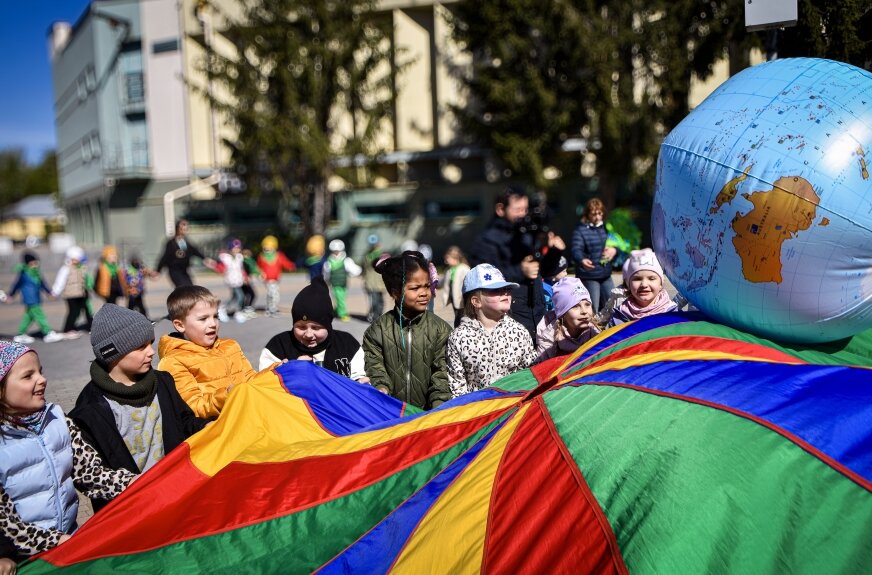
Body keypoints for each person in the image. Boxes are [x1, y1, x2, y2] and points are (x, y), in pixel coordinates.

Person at [0, 341, 134, 560]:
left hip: (68, 542)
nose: (42, 379)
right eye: (28, 376)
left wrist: (136, 482)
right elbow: (5, 524)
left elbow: (90, 475)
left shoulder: (57, 419)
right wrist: (57, 542)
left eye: (40, 372)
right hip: (23, 558)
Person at [68, 305, 207, 512]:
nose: (151, 352)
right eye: (141, 347)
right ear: (113, 353)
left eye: (150, 344)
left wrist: (211, 425)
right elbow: (92, 475)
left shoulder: (163, 383)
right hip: (130, 510)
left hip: (176, 496)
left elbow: (185, 423)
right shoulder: (90, 410)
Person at [362, 251, 452, 410]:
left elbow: (441, 376)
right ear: (395, 292)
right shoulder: (377, 331)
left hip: (429, 416)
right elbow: (375, 369)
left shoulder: (440, 330)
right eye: (415, 288)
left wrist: (439, 409)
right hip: (391, 414)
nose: (424, 293)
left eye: (426, 286)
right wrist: (381, 389)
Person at [157, 285, 257, 419]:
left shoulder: (231, 346)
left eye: (216, 316)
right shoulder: (174, 361)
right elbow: (193, 407)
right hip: (216, 429)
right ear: (180, 325)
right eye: (203, 319)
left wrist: (275, 372)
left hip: (247, 417)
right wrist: (226, 396)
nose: (213, 324)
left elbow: (252, 378)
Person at [469, 187, 556, 342]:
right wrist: (520, 271)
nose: (523, 214)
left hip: (536, 310)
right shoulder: (487, 241)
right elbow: (485, 278)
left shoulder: (526, 234)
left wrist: (555, 251)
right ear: (501, 209)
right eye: (518, 209)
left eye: (525, 209)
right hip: (509, 314)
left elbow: (544, 270)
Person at [446, 264, 536, 396]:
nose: (505, 292)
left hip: (513, 409)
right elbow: (457, 386)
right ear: (476, 301)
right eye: (496, 290)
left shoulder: (519, 332)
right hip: (477, 410)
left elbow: (531, 375)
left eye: (506, 288)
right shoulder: (459, 337)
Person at [259, 278, 367, 381]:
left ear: (328, 326)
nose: (309, 334)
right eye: (301, 327)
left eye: (316, 328)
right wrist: (289, 370)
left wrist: (361, 382)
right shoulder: (278, 346)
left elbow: (359, 378)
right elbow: (264, 382)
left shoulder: (347, 344)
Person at [606, 248, 678, 327]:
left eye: (651, 278)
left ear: (661, 284)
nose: (644, 284)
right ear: (628, 284)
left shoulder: (673, 314)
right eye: (637, 279)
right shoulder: (619, 316)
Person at [535, 277, 599, 362]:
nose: (584, 311)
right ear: (562, 314)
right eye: (575, 306)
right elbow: (541, 367)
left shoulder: (594, 332)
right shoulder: (549, 336)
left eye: (587, 304)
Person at [571, 198, 618, 313]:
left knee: (613, 305)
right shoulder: (580, 230)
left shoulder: (607, 228)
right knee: (593, 308)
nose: (597, 217)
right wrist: (582, 260)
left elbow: (618, 244)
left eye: (599, 213)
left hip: (605, 273)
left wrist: (614, 250)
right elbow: (576, 249)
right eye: (593, 214)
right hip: (589, 275)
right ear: (587, 214)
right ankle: (593, 330)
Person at [6, 252, 63, 344]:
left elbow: (43, 284)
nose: (35, 264)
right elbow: (16, 285)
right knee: (39, 315)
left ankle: (20, 334)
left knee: (29, 316)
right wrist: (10, 295)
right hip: (29, 298)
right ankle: (47, 332)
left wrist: (49, 293)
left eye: (36, 262)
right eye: (33, 263)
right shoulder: (24, 274)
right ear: (27, 263)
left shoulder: (37, 272)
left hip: (36, 297)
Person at [155, 219, 213, 288]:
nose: (184, 230)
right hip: (175, 271)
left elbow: (195, 251)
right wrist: (158, 271)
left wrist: (205, 259)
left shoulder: (186, 242)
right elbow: (165, 257)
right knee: (182, 288)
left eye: (186, 228)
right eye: (182, 228)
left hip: (184, 270)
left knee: (190, 288)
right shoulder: (171, 243)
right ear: (177, 229)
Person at [51, 245, 92, 336]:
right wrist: (55, 292)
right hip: (70, 295)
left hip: (81, 293)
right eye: (76, 258)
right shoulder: (66, 268)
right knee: (73, 311)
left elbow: (86, 279)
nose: (78, 260)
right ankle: (67, 329)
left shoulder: (80, 267)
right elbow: (60, 281)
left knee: (85, 310)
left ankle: (88, 326)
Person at [323, 239, 361, 322]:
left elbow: (355, 270)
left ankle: (336, 311)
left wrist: (356, 273)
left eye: (337, 251)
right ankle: (342, 314)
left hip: (343, 283)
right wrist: (326, 281)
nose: (336, 252)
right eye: (334, 251)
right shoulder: (329, 261)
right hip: (335, 283)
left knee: (342, 298)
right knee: (340, 298)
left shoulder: (346, 260)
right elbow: (326, 273)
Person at [256, 236, 295, 317]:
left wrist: (291, 266)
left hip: (276, 279)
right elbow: (258, 267)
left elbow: (285, 262)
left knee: (272, 293)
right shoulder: (261, 256)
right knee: (273, 293)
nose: (267, 248)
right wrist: (259, 273)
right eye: (266, 246)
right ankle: (272, 309)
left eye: (269, 247)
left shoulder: (278, 256)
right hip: (267, 279)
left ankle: (270, 308)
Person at [214, 238, 247, 323]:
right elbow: (220, 267)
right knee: (241, 296)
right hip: (231, 281)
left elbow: (241, 269)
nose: (236, 250)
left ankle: (222, 308)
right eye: (234, 248)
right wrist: (219, 268)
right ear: (230, 248)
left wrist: (245, 277)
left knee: (234, 298)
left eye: (238, 248)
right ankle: (237, 312)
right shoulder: (226, 258)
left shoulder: (239, 257)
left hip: (238, 280)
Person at [441, 246, 470, 327]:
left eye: (447, 258)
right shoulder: (449, 270)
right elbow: (443, 282)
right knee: (457, 316)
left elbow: (468, 283)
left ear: (454, 257)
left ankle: (460, 332)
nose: (446, 261)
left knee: (461, 318)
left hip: (462, 299)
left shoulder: (464, 269)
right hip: (454, 298)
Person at [363, 235, 388, 322]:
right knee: (373, 301)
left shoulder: (382, 255)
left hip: (380, 282)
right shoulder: (367, 255)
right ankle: (374, 317)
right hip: (370, 282)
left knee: (380, 301)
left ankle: (378, 316)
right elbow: (365, 269)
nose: (373, 246)